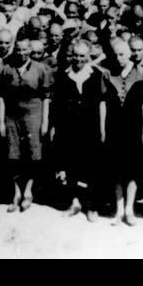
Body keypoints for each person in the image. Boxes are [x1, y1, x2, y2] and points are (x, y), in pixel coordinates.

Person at [50, 40, 107, 222]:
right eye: (75, 55)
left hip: (90, 127)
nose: (78, 59)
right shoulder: (63, 75)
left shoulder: (96, 75)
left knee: (91, 167)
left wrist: (102, 128)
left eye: (82, 55)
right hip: (69, 127)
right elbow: (56, 104)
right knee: (71, 165)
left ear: (88, 56)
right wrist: (54, 126)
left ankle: (91, 205)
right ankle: (74, 202)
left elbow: (102, 103)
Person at [0, 38, 52, 213]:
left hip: (33, 114)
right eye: (18, 50)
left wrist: (45, 121)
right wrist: (1, 121)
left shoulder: (40, 69)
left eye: (25, 50)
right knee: (12, 153)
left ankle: (28, 190)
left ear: (30, 50)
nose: (21, 53)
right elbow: (1, 96)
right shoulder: (7, 68)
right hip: (12, 115)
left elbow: (46, 96)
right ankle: (16, 193)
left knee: (32, 152)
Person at [103, 39, 143, 226]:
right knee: (116, 170)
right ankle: (119, 210)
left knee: (132, 170)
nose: (118, 58)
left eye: (122, 54)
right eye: (115, 54)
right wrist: (103, 129)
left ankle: (130, 209)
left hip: (134, 127)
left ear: (130, 54)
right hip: (114, 127)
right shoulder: (108, 73)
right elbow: (103, 103)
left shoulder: (141, 73)